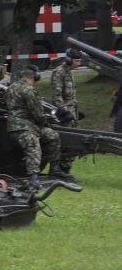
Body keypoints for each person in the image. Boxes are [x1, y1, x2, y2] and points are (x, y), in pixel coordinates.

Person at [6, 64, 71, 186]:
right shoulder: (28, 90)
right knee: (33, 143)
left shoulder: (11, 87)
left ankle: (55, 169)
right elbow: (38, 114)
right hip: (22, 127)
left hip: (24, 125)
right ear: (34, 77)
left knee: (53, 136)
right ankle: (33, 177)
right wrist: (46, 122)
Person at [51, 48, 83, 180]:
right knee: (65, 141)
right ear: (69, 59)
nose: (78, 64)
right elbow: (56, 96)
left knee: (73, 142)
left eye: (80, 61)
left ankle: (66, 169)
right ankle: (58, 170)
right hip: (64, 114)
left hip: (72, 111)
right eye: (76, 61)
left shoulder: (70, 72)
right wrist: (64, 111)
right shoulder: (59, 72)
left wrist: (75, 111)